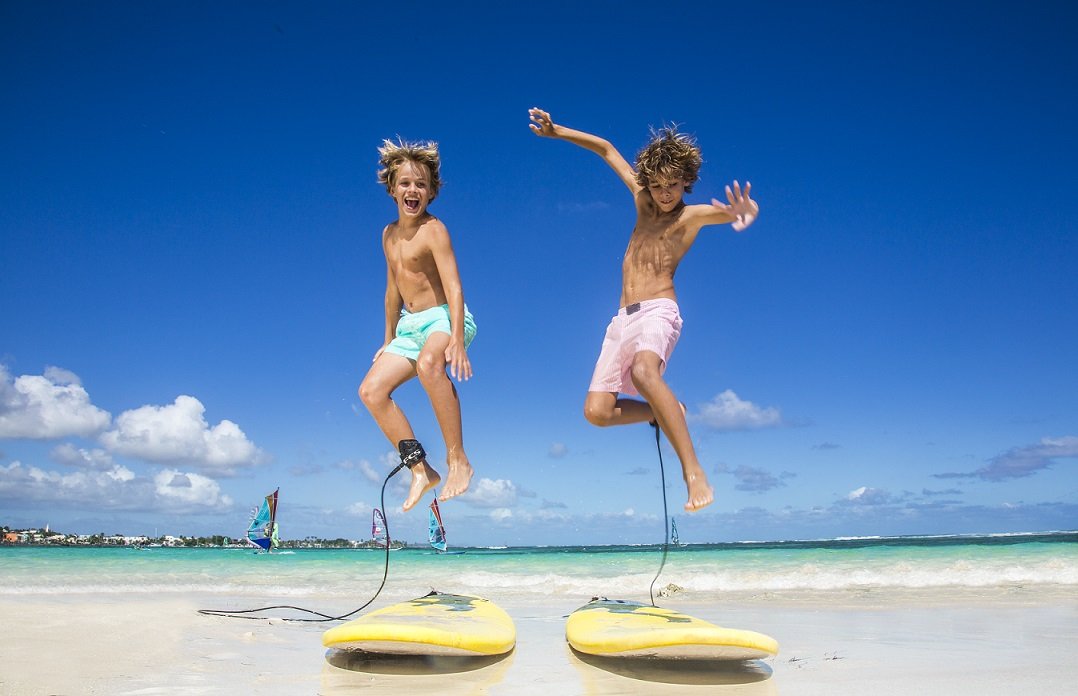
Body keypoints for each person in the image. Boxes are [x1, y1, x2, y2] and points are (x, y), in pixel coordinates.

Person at [528, 107, 759, 512]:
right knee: (597, 412)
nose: (665, 193)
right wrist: (556, 130)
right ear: (647, 184)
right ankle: (664, 409)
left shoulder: (689, 216)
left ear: (686, 182)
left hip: (658, 310)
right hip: (621, 320)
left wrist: (743, 213)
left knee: (643, 370)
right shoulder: (641, 202)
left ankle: (693, 471)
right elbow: (606, 148)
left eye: (673, 184)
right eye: (657, 185)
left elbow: (726, 213)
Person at [358, 138, 477, 511]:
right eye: (406, 183)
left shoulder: (434, 230)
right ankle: (420, 469)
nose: (413, 190)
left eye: (421, 184)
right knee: (371, 391)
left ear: (432, 192)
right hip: (408, 327)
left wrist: (456, 337)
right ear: (392, 188)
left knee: (430, 365)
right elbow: (392, 291)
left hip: (444, 317)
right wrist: (387, 337)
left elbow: (455, 286)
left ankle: (458, 459)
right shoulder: (387, 235)